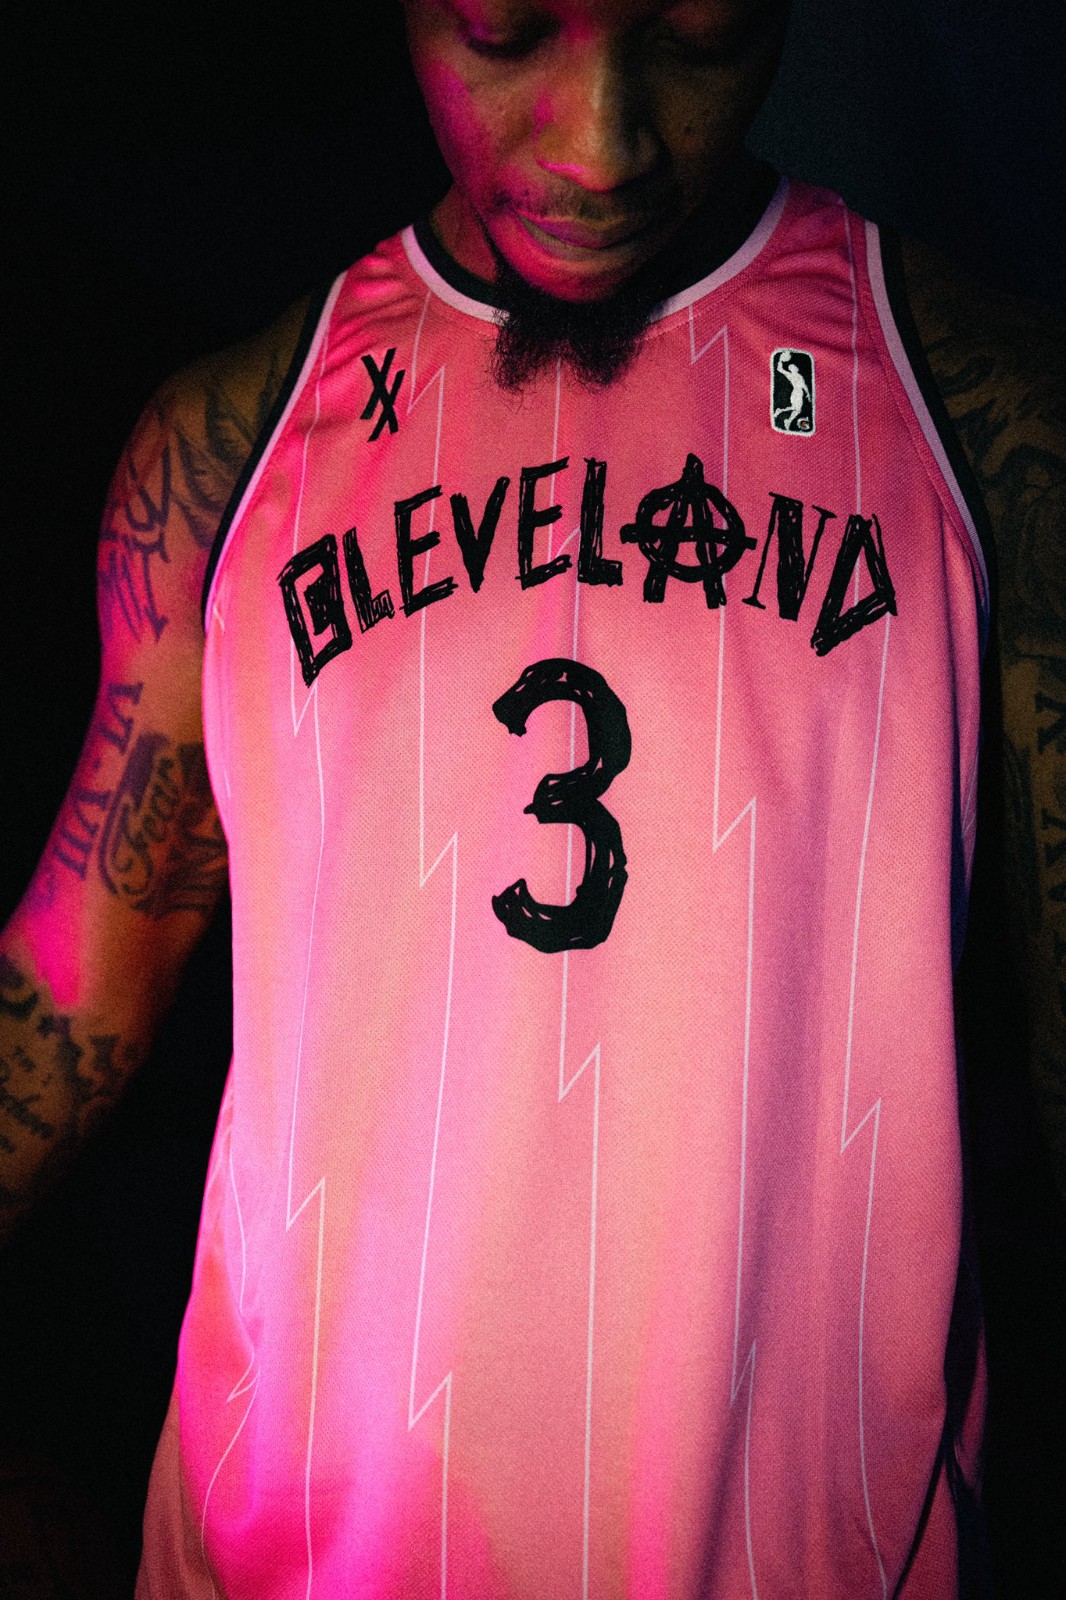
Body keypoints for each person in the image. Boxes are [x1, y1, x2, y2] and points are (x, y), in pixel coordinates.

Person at [0, 0, 1063, 1594]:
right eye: (506, 35)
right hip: (290, 1558)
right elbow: (80, 985)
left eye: (699, 37)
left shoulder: (985, 418)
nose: (604, 144)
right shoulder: (225, 446)